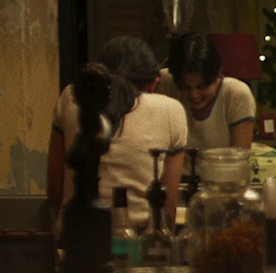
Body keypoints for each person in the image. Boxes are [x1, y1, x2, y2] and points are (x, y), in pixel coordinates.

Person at [47, 36, 186, 232]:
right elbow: (168, 209)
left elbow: (55, 190)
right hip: (138, 241)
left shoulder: (72, 97)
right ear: (154, 84)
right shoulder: (170, 110)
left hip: (75, 235)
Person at [157, 32, 256, 152]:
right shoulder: (165, 82)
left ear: (218, 73)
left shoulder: (236, 94)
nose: (194, 95)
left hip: (224, 164)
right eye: (185, 87)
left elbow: (240, 156)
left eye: (202, 87)